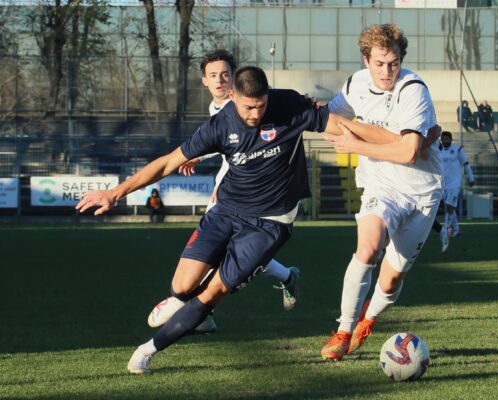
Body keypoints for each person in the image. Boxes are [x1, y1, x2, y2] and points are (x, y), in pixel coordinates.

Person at [76, 66, 398, 375]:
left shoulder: (290, 106)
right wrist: (115, 193)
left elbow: (345, 126)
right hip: (225, 211)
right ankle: (195, 307)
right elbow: (168, 163)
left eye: (261, 105)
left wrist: (397, 142)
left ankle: (147, 351)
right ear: (232, 96)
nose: (255, 114)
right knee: (181, 286)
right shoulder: (220, 125)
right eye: (248, 107)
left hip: (270, 224)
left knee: (212, 292)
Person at [320, 23, 442, 361]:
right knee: (368, 248)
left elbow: (408, 153)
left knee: (389, 281)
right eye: (379, 63)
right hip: (380, 186)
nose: (387, 71)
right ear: (365, 60)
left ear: (401, 59)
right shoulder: (354, 85)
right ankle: (344, 331)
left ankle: (367, 320)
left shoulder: (413, 88)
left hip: (421, 192)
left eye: (394, 62)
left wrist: (358, 141)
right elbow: (331, 117)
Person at [160, 50, 300, 339]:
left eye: (225, 74)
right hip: (229, 189)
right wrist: (200, 157)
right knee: (231, 255)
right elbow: (223, 141)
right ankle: (286, 276)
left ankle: (198, 310)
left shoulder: (252, 102)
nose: (220, 80)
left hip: (247, 194)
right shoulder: (217, 110)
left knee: (231, 256)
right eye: (213, 75)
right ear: (204, 81)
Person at [438, 131, 475, 237]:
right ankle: (457, 229)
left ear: (451, 139)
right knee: (449, 207)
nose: (445, 141)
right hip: (444, 184)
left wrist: (471, 177)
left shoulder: (457, 149)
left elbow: (466, 163)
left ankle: (446, 229)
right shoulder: (438, 150)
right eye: (443, 139)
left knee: (450, 206)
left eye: (447, 139)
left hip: (455, 184)